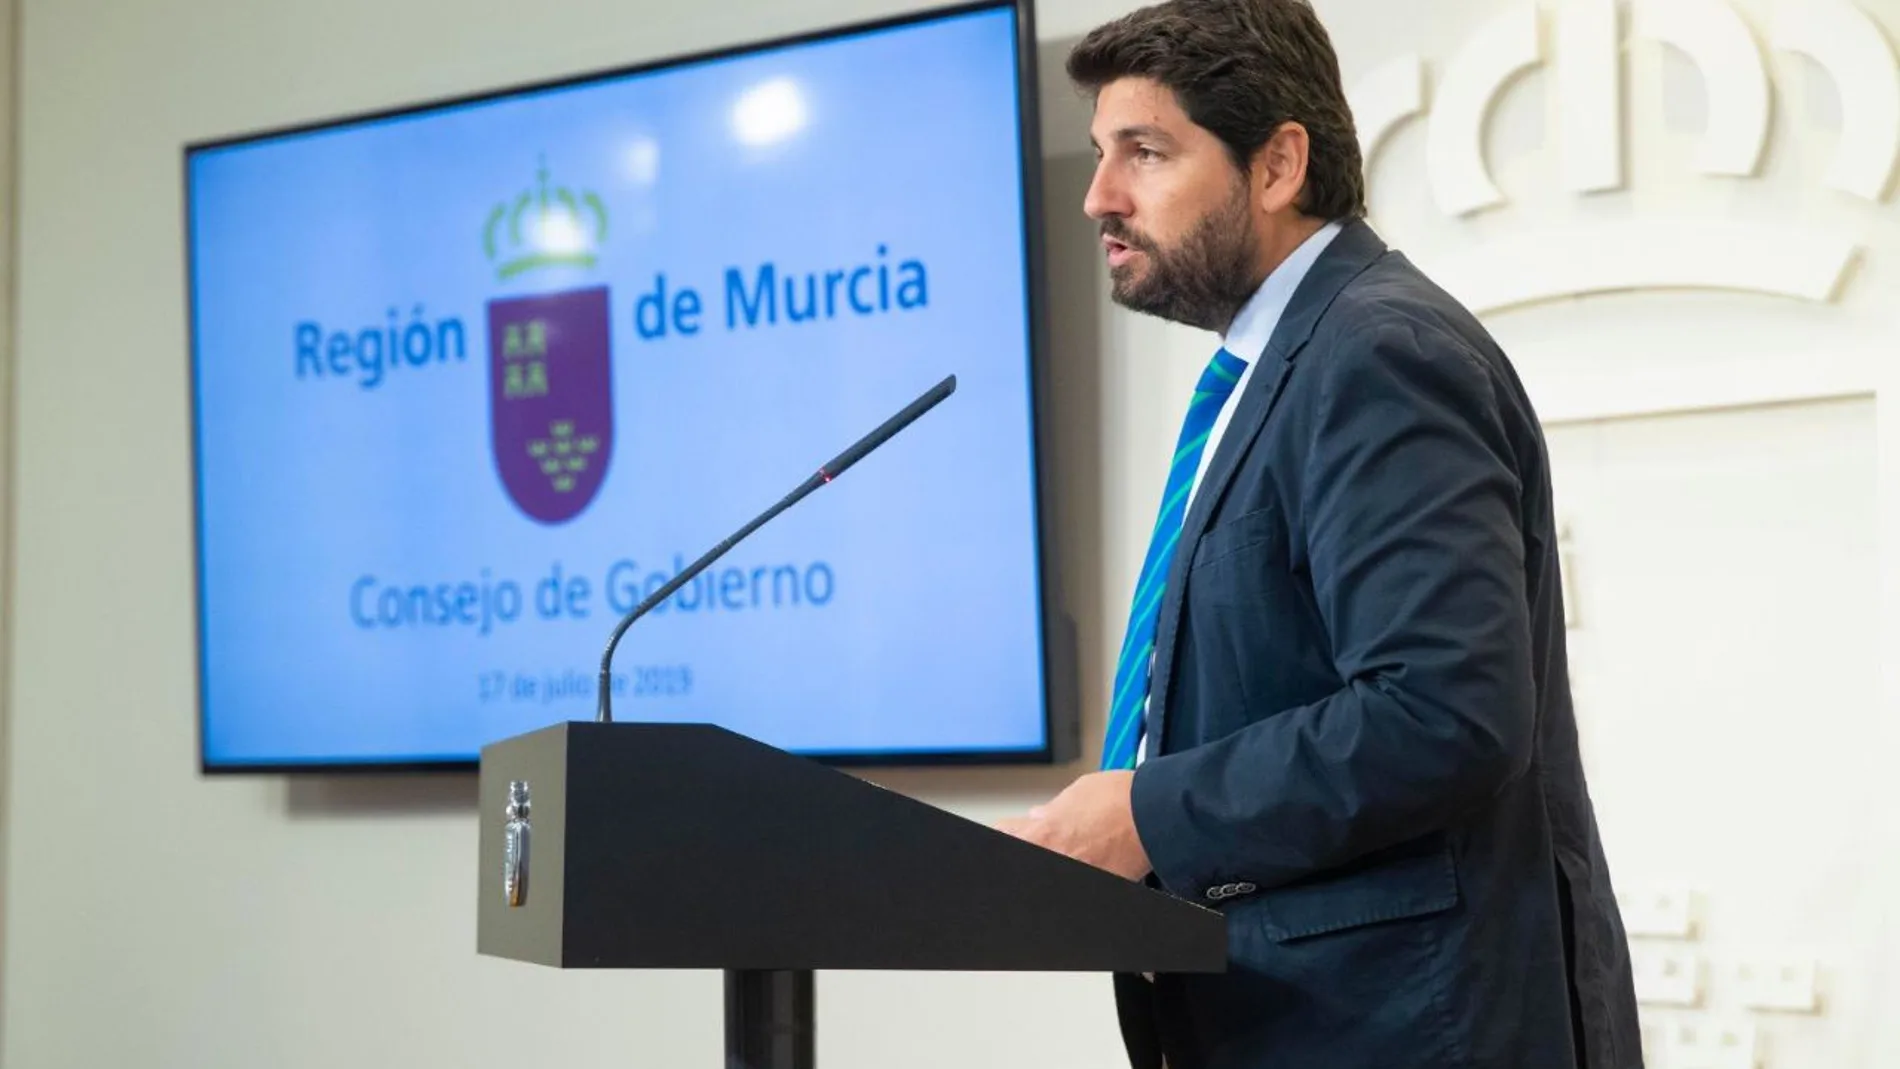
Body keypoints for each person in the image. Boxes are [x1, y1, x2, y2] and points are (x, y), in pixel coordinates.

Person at [995, 1, 1644, 1066]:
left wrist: (1149, 814)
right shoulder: (1283, 363)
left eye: (1145, 152)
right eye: (1103, 153)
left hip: (1406, 1030)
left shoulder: (1375, 354)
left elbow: (1444, 712)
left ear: (1279, 163)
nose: (1096, 196)